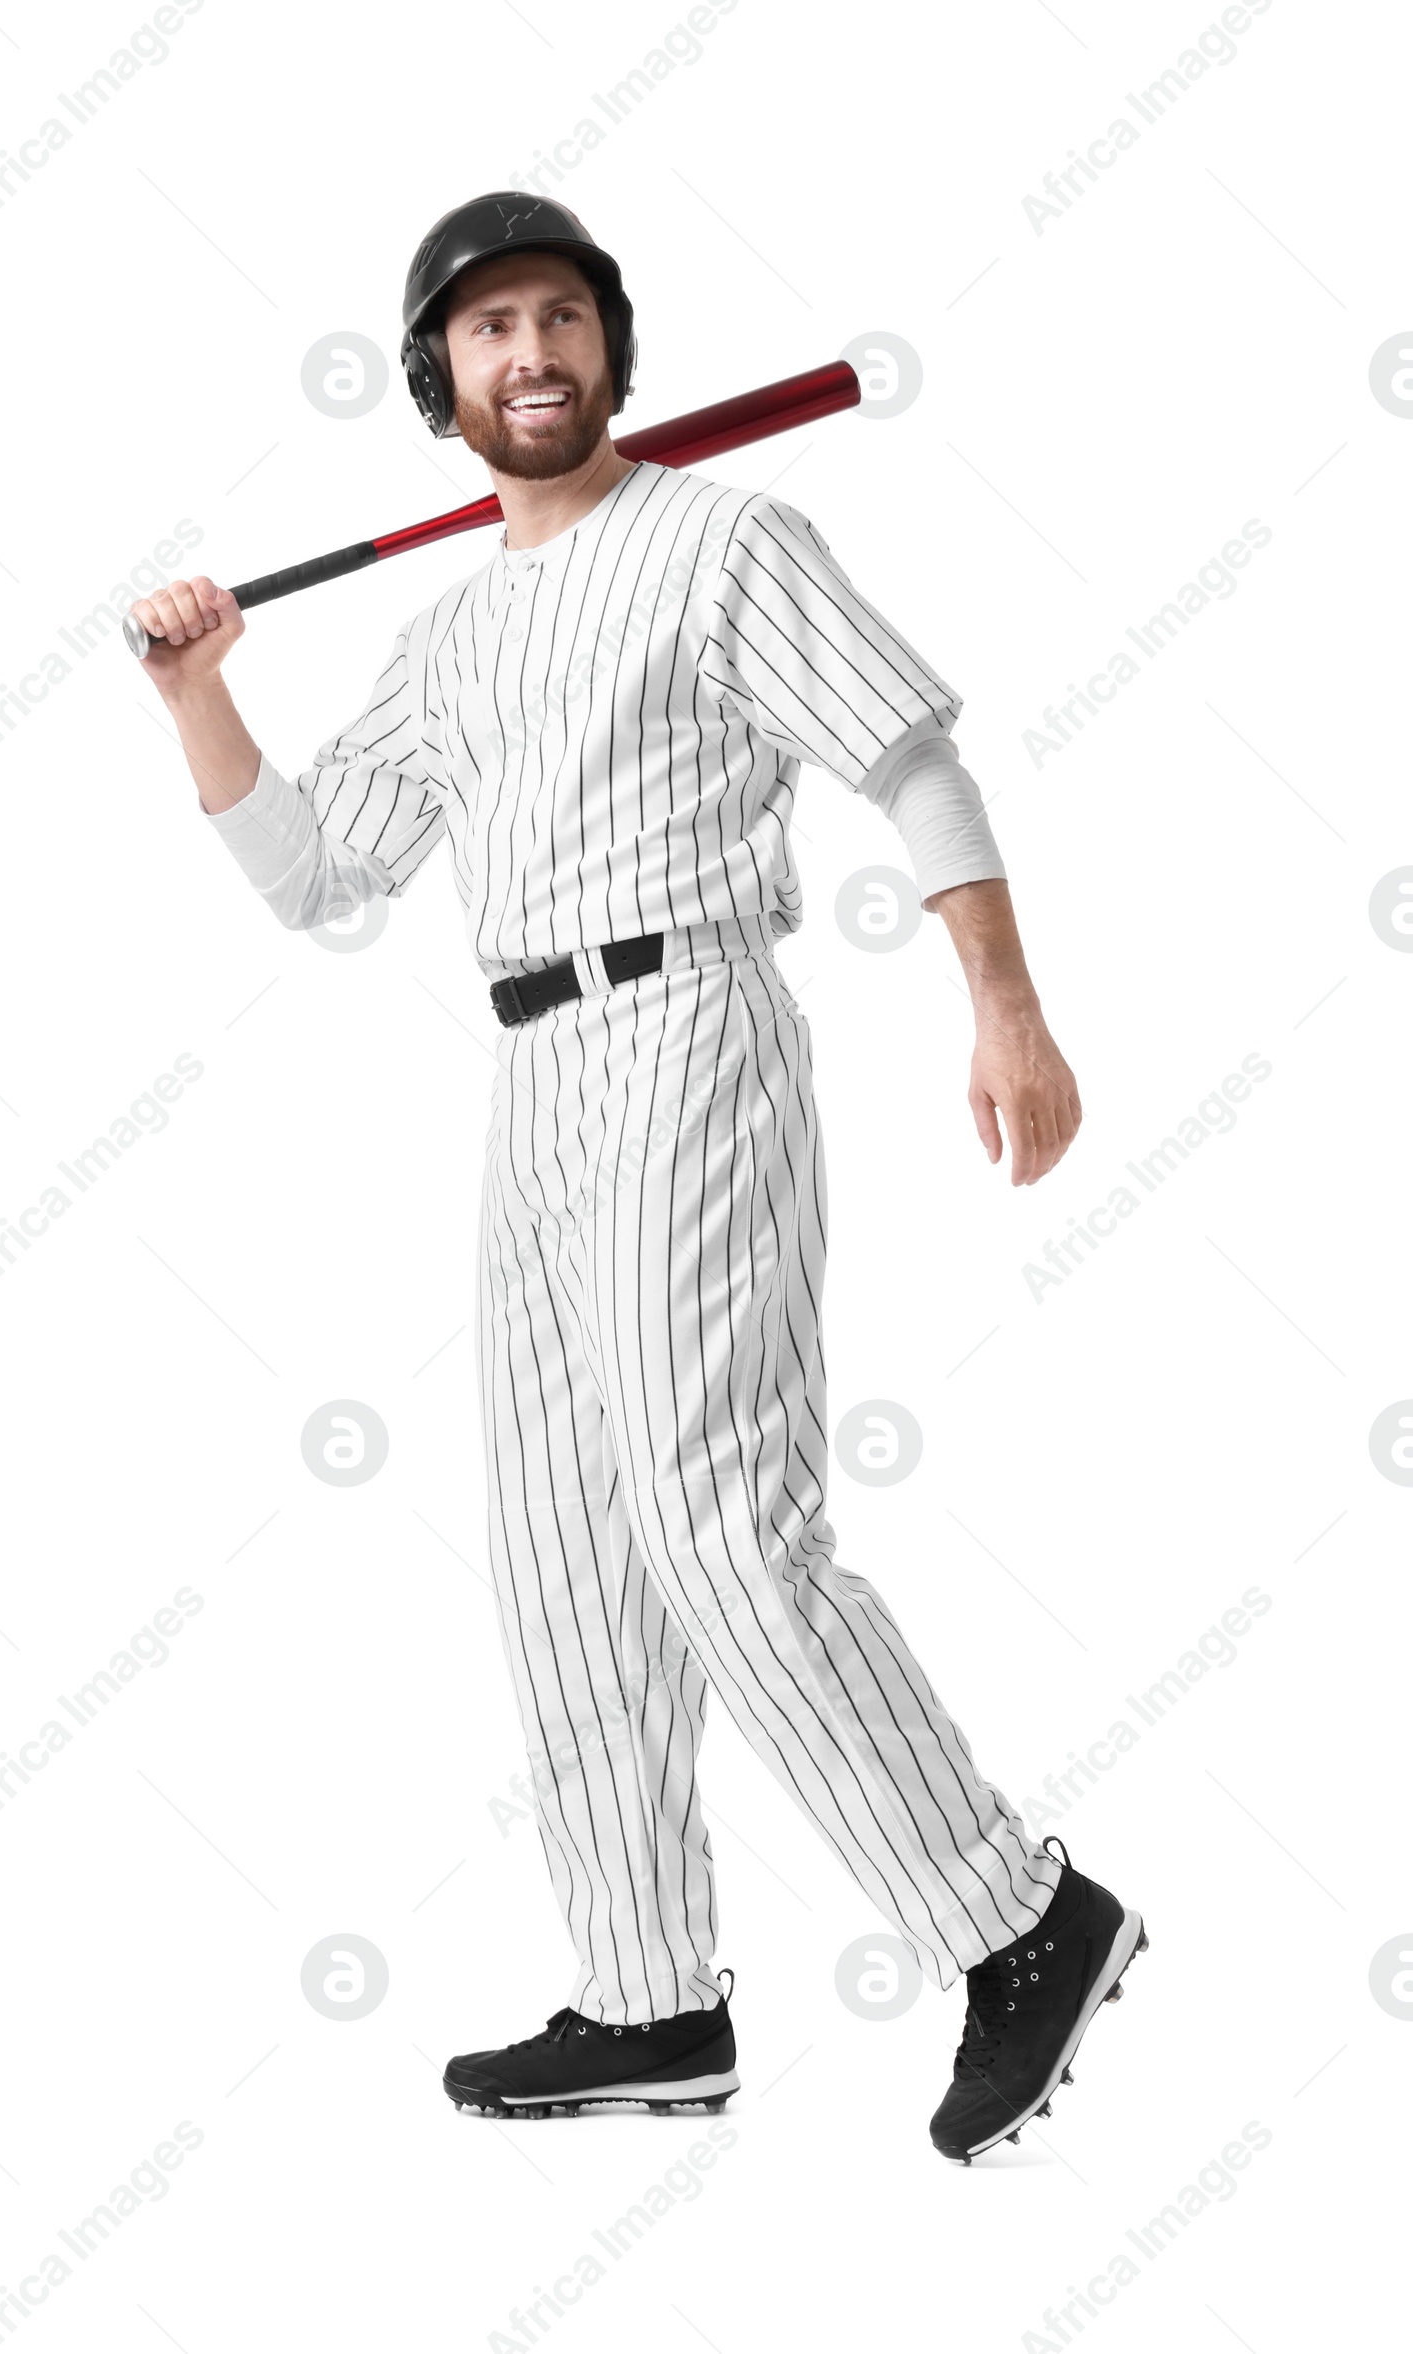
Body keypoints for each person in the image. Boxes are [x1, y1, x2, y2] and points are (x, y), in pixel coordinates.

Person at [130, 192, 1146, 2164]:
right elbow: (324, 882)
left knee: (712, 1518)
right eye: (490, 328)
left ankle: (1016, 1916)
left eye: (559, 317)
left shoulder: (718, 539)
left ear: (607, 348)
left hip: (689, 1034)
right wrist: (200, 701)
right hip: (527, 1083)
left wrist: (1004, 1012)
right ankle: (648, 1992)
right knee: (563, 1555)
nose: (531, 354)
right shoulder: (449, 636)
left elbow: (910, 765)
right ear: (440, 384)